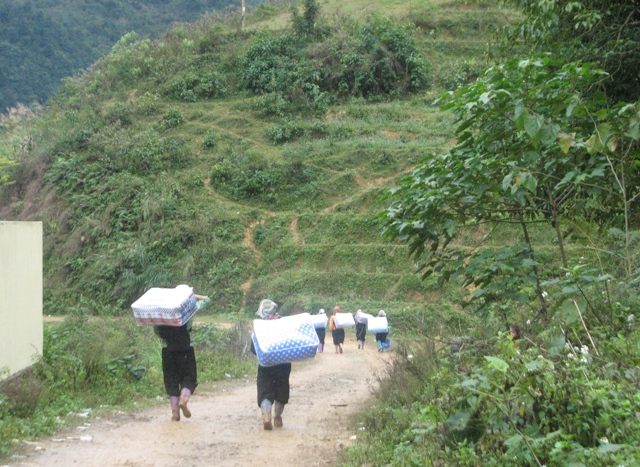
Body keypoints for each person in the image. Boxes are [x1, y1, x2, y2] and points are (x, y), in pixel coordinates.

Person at [154, 290, 207, 422]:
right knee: (189, 377)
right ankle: (183, 399)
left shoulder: (160, 313)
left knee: (171, 382)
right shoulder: (188, 311)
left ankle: (175, 413)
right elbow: (206, 300)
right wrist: (191, 296)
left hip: (167, 350)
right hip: (185, 349)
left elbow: (157, 332)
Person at [251, 299, 291, 430]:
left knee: (265, 391)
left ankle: (266, 416)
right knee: (281, 390)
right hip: (283, 365)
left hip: (265, 365)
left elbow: (254, 349)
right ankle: (278, 416)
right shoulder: (284, 324)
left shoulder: (260, 327)